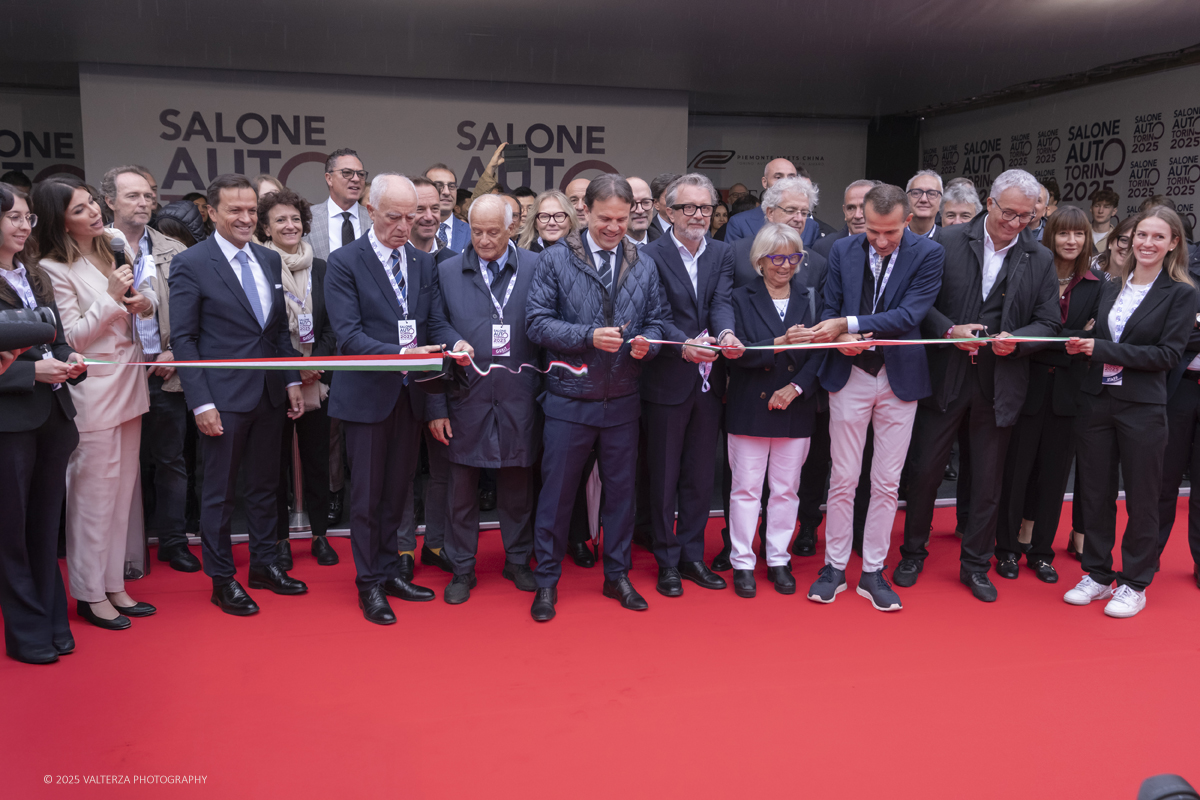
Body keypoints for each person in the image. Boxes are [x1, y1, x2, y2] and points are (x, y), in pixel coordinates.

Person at [896, 169, 1060, 602]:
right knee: (926, 470)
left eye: (1026, 216)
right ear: (989, 204)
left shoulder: (1039, 257)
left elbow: (1049, 323)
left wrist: (1019, 342)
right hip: (945, 377)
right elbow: (918, 304)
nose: (1016, 223)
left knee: (988, 479)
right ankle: (912, 552)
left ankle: (975, 565)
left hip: (1000, 381)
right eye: (1008, 212)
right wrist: (950, 330)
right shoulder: (947, 242)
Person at [525, 174, 665, 621]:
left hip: (624, 398)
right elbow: (537, 323)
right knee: (557, 496)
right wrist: (587, 336)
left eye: (622, 219)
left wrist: (650, 343)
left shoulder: (643, 262)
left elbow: (658, 321)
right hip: (569, 400)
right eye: (605, 218)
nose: (614, 227)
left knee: (622, 496)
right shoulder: (555, 259)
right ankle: (546, 581)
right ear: (584, 210)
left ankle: (617, 575)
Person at [169, 174, 309, 616]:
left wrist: (290, 382)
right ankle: (222, 578)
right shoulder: (192, 263)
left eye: (252, 210)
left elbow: (277, 334)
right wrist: (201, 403)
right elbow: (185, 340)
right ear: (211, 212)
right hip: (222, 400)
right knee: (220, 492)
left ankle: (265, 565)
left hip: (269, 394)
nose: (246, 218)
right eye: (235, 210)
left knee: (267, 487)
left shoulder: (269, 260)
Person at [324, 173, 455, 624]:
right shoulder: (344, 262)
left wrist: (453, 344)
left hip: (409, 394)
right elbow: (348, 336)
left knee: (398, 492)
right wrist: (403, 352)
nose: (405, 225)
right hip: (366, 397)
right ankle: (368, 584)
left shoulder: (421, 263)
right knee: (367, 496)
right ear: (370, 211)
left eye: (412, 215)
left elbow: (434, 322)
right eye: (394, 216)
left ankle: (389, 570)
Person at [806, 185, 944, 610]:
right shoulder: (843, 250)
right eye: (873, 232)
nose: (881, 241)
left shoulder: (928, 253)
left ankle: (872, 570)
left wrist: (848, 324)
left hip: (899, 378)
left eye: (891, 232)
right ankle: (833, 567)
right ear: (861, 218)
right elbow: (828, 308)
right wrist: (839, 334)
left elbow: (910, 315)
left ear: (907, 220)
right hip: (849, 376)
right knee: (843, 477)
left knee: (886, 482)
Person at [33, 175, 158, 629]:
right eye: (81, 209)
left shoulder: (110, 248)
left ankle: (113, 584)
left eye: (92, 204)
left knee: (123, 494)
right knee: (92, 496)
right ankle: (88, 592)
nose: (94, 213)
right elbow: (70, 339)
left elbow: (124, 313)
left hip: (129, 381)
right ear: (60, 222)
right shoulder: (51, 268)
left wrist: (139, 304)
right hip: (92, 391)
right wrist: (109, 298)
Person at [1063, 207, 1194, 617]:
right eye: (1141, 235)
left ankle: (1135, 582)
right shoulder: (1110, 285)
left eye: (1158, 237)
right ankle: (1098, 575)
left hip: (1143, 406)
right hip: (1098, 399)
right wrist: (1071, 341)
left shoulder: (1182, 292)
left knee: (1143, 497)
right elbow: (1094, 333)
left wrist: (1099, 349)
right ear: (1129, 240)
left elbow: (1168, 354)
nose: (1147, 243)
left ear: (1174, 243)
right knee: (1096, 492)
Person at [424, 194, 541, 603]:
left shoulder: (534, 266)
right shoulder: (448, 269)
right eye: (476, 231)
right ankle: (461, 568)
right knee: (461, 489)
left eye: (494, 231)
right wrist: (436, 403)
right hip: (465, 396)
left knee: (518, 487)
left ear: (512, 228)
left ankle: (518, 560)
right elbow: (433, 324)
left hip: (519, 396)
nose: (485, 240)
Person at [640, 174, 742, 598]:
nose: (698, 215)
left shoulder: (723, 252)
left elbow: (721, 302)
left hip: (710, 381)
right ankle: (666, 560)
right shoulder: (648, 254)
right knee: (663, 477)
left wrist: (726, 336)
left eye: (705, 207)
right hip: (666, 378)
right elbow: (652, 312)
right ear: (668, 211)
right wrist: (682, 346)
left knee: (701, 474)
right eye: (688, 208)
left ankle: (692, 555)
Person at [720, 175, 828, 565]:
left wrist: (797, 388)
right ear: (759, 261)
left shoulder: (811, 299)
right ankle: (742, 560)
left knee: (786, 490)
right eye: (777, 258)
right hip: (750, 405)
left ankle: (779, 559)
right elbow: (737, 354)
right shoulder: (738, 298)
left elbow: (822, 352)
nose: (785, 266)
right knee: (746, 489)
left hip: (796, 407)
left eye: (793, 258)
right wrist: (779, 343)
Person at [0, 183, 87, 662]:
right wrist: (32, 371)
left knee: (43, 528)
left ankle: (53, 618)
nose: (23, 225)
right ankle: (26, 631)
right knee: (10, 531)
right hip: (10, 423)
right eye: (13, 216)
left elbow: (52, 339)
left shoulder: (32, 276)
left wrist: (67, 358)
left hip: (53, 416)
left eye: (28, 217)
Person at [994, 206, 1100, 584]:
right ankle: (1005, 549)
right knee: (1016, 473)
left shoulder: (1096, 284)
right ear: (1050, 235)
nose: (1071, 241)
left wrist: (1054, 339)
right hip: (1027, 386)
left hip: (1070, 395)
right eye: (1063, 234)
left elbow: (1091, 340)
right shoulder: (1031, 272)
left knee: (1055, 479)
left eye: (1079, 235)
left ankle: (1041, 553)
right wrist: (1063, 339)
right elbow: (1034, 332)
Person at [100, 166, 198, 573]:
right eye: (133, 196)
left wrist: (174, 350)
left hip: (164, 371)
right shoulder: (92, 246)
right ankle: (123, 550)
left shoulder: (175, 250)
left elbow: (195, 312)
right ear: (110, 202)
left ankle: (174, 542)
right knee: (119, 465)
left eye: (149, 195)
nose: (145, 203)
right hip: (114, 375)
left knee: (171, 460)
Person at [256, 187, 340, 569]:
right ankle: (280, 540)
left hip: (317, 379)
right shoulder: (258, 267)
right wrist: (293, 369)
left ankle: (320, 534)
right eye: (280, 220)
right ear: (266, 228)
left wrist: (315, 363)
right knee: (273, 466)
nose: (290, 226)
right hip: (276, 381)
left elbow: (331, 325)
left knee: (317, 461)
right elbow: (265, 331)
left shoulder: (322, 267)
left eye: (295, 219)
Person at [397, 177, 455, 575]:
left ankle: (436, 544)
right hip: (393, 386)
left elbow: (445, 329)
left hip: (442, 385)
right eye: (420, 209)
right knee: (400, 472)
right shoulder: (386, 260)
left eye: (436, 208)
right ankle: (401, 549)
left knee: (443, 471)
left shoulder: (454, 261)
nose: (429, 216)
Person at [1156, 240, 1200, 587]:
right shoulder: (1188, 267)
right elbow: (1173, 334)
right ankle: (1144, 561)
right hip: (1180, 385)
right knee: (1163, 480)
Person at [724, 159, 820, 247]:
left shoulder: (810, 226)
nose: (785, 182)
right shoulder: (739, 223)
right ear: (764, 182)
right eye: (778, 177)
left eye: (791, 178)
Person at [306, 148, 371, 261]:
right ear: (329, 178)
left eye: (360, 174)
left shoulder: (375, 218)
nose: (356, 179)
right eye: (347, 173)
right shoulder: (307, 218)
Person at [811, 180, 880, 257]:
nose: (857, 215)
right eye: (850, 208)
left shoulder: (891, 245)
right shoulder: (825, 247)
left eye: (864, 207)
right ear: (844, 211)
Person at [424, 164, 470, 252]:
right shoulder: (411, 231)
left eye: (451, 186)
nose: (446, 192)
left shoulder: (471, 232)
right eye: (439, 185)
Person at [1092, 215, 1137, 279]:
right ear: (1111, 242)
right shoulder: (1084, 268)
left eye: (1135, 244)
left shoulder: (1140, 284)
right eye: (1124, 240)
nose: (1128, 248)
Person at [905, 170, 943, 239]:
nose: (923, 199)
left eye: (931, 194)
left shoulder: (948, 241)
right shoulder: (892, 236)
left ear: (941, 202)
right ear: (907, 199)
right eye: (916, 193)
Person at [625, 177, 656, 247]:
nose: (640, 210)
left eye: (645, 202)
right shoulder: (608, 249)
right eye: (632, 204)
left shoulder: (668, 246)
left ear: (653, 205)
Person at [649, 173, 680, 238]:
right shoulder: (647, 233)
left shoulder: (696, 229)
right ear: (656, 203)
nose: (676, 201)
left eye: (680, 196)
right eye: (669, 197)